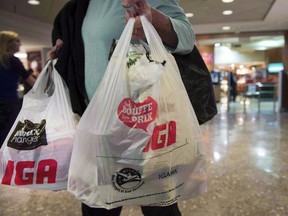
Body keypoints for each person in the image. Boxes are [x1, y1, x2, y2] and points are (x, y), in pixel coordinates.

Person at [48, 0, 195, 215]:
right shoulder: (79, 6)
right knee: (98, 206)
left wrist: (155, 19)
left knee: (159, 206)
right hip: (98, 126)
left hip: (150, 125)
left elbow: (187, 38)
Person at [0, 31, 36, 147]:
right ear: (8, 43)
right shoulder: (12, 60)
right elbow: (32, 82)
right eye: (17, 41)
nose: (19, 44)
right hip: (9, 105)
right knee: (8, 137)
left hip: (6, 103)